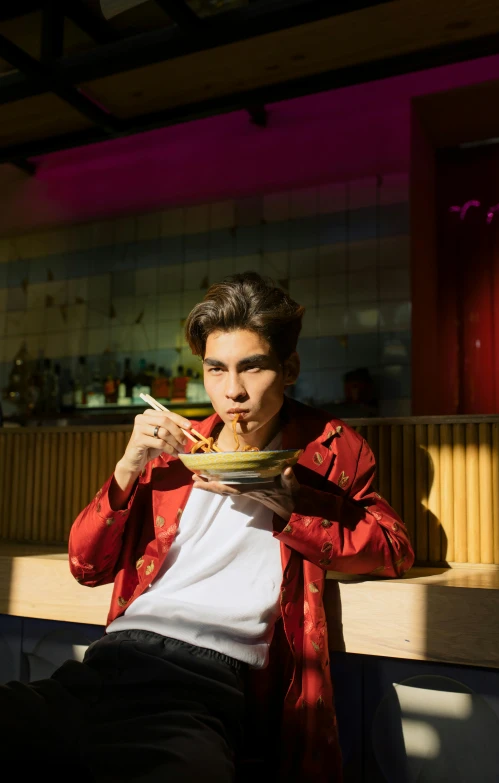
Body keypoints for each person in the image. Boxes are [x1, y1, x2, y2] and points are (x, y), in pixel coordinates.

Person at [0, 272, 414, 782]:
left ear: (289, 369)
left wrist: (292, 505)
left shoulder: (330, 450)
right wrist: (127, 468)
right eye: (216, 370)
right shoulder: (179, 450)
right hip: (111, 660)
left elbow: (394, 547)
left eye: (252, 368)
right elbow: (86, 565)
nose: (232, 391)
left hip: (208, 681)